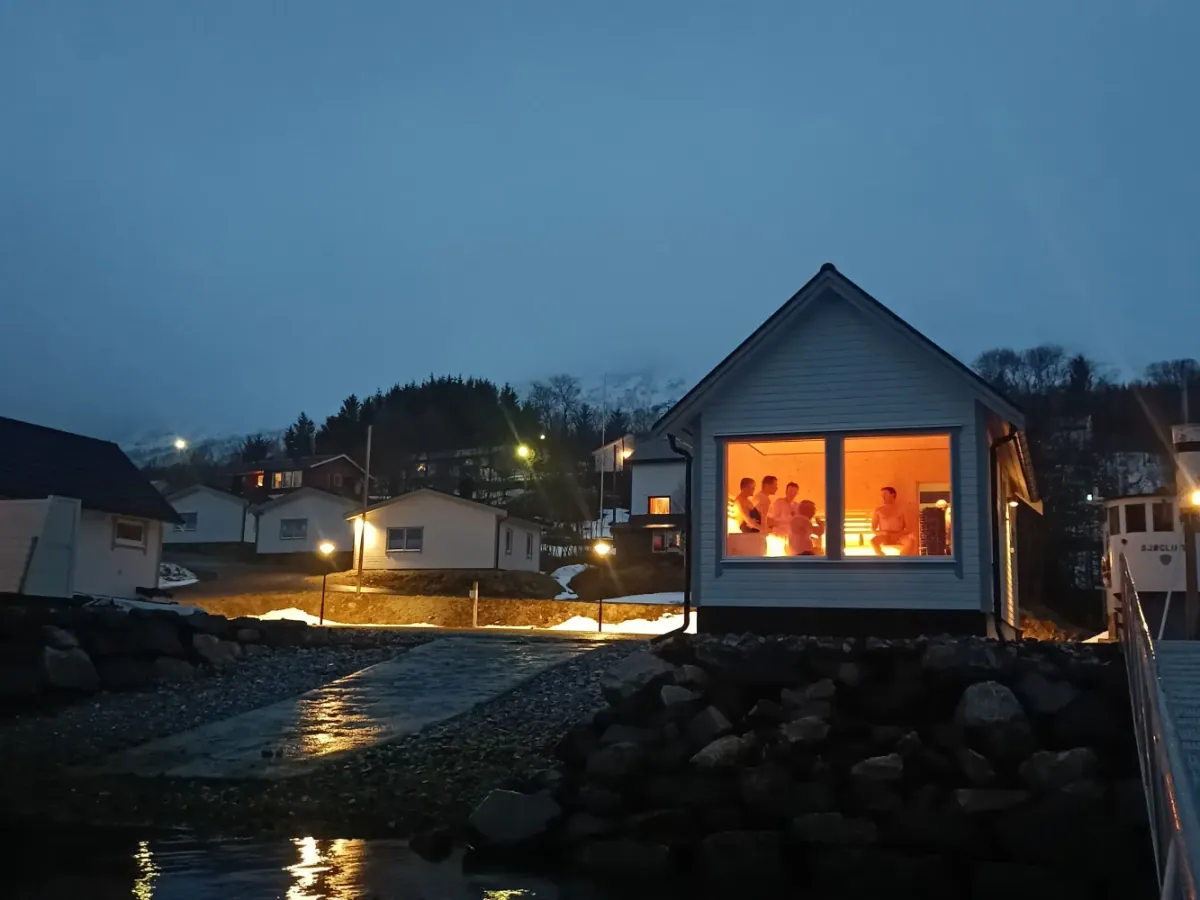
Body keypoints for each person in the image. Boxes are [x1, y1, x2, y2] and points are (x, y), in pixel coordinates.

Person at [871, 486, 915, 556]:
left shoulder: (902, 510)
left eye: (885, 494)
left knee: (910, 541)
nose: (883, 497)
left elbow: (908, 528)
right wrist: (881, 533)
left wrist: (899, 534)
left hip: (899, 536)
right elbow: (873, 529)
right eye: (881, 495)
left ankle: (901, 560)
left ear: (892, 495)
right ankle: (883, 559)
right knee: (873, 541)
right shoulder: (878, 510)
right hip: (885, 536)